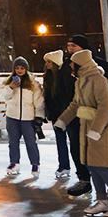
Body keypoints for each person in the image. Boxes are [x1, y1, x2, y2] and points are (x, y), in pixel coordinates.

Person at [55, 50, 108, 217]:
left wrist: (96, 130)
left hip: (103, 128)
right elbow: (75, 104)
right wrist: (62, 120)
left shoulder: (99, 80)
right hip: (87, 126)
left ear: (80, 64)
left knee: (101, 166)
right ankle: (102, 200)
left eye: (72, 64)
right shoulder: (80, 81)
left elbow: (105, 107)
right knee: (91, 164)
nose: (70, 67)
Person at [63, 34, 108, 198]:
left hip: (96, 118)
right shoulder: (69, 67)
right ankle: (84, 180)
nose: (70, 49)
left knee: (102, 152)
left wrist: (100, 106)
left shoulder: (100, 65)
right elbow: (64, 92)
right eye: (68, 45)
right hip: (76, 117)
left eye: (73, 46)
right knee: (77, 149)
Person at [0, 57, 45, 179]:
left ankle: (35, 164)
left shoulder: (33, 84)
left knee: (31, 143)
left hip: (28, 118)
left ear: (26, 69)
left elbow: (39, 102)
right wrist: (11, 87)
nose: (19, 70)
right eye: (17, 68)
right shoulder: (8, 82)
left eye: (22, 68)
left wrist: (39, 117)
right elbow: (4, 96)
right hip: (12, 117)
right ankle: (14, 163)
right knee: (13, 142)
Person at [41, 50, 74, 181]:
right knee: (60, 142)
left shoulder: (64, 76)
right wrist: (48, 113)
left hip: (68, 114)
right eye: (46, 62)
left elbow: (68, 96)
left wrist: (65, 113)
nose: (47, 64)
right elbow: (48, 98)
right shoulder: (48, 77)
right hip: (55, 114)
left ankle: (82, 169)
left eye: (50, 61)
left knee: (74, 142)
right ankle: (64, 166)